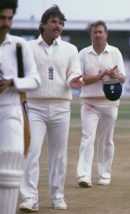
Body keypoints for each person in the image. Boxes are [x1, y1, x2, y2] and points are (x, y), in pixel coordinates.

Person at [19, 5, 83, 212]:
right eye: (54, 21)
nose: (58, 26)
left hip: (61, 106)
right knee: (32, 152)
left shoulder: (70, 49)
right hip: (34, 106)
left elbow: (74, 73)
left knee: (59, 155)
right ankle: (30, 198)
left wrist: (75, 81)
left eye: (61, 23)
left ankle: (57, 196)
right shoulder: (27, 48)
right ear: (43, 24)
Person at [0, 1, 41, 213]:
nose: (6, 23)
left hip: (10, 108)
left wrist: (12, 82)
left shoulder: (18, 45)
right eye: (2, 18)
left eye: (9, 18)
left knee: (12, 156)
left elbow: (35, 80)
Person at [76, 20, 126, 188]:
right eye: (94, 32)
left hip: (110, 103)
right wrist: (99, 76)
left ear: (106, 34)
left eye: (100, 32)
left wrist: (114, 74)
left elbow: (124, 78)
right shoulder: (83, 54)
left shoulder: (115, 52)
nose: (97, 35)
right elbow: (80, 80)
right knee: (87, 137)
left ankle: (104, 174)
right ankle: (84, 175)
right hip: (89, 102)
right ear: (91, 34)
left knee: (106, 140)